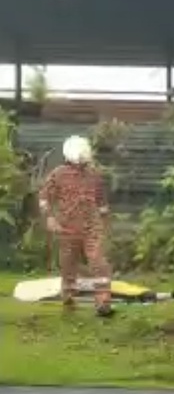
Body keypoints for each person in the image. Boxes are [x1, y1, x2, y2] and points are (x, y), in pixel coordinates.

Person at [38, 135, 114, 317]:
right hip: (67, 228)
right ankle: (69, 298)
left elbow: (102, 203)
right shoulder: (58, 174)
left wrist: (104, 224)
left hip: (91, 229)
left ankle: (103, 300)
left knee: (98, 262)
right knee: (68, 264)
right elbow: (44, 198)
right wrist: (49, 218)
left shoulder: (94, 175)